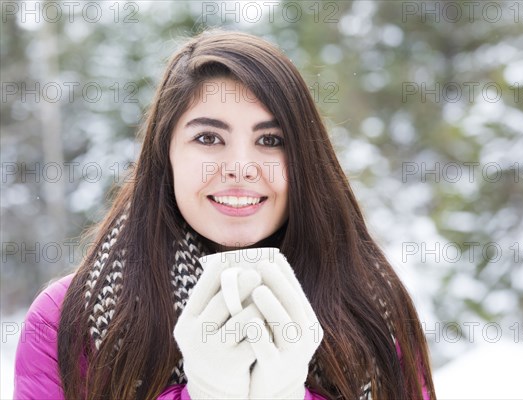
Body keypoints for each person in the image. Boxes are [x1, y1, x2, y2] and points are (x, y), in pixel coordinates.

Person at [14, 30, 436, 400]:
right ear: (167, 155)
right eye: (208, 137)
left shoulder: (374, 313)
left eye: (270, 139)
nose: (239, 166)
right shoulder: (66, 320)